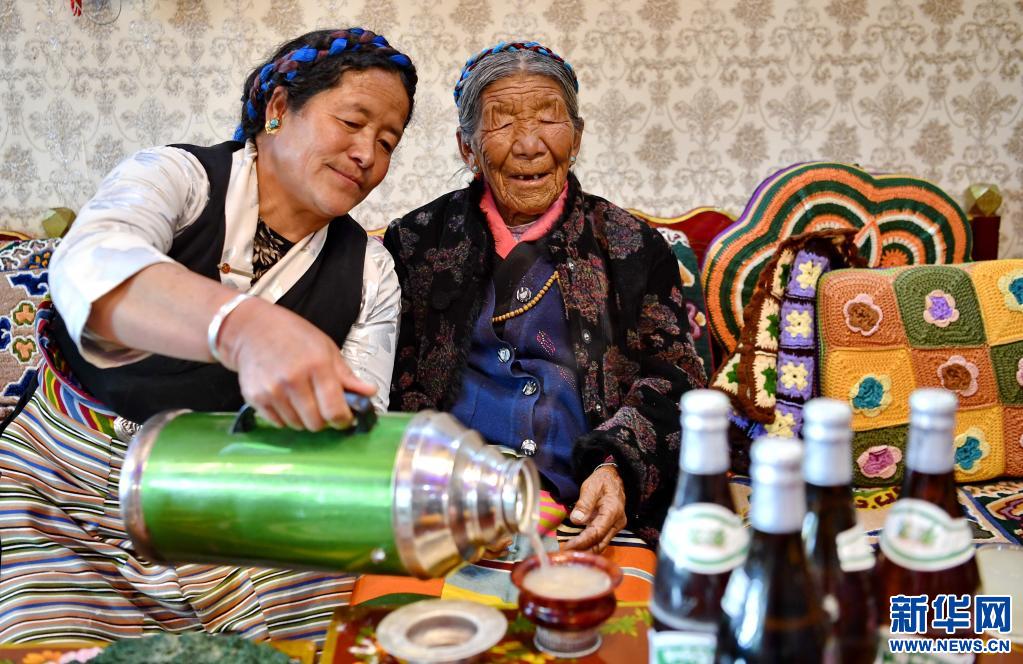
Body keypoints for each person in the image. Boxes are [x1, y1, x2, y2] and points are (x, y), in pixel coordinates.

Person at [0, 28, 416, 644]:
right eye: (352, 123)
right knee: (51, 645)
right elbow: (88, 265)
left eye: (387, 142)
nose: (366, 155)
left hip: (236, 497)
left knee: (356, 629)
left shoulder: (370, 271)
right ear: (279, 108)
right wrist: (243, 329)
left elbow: (357, 429)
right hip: (67, 482)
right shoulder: (178, 176)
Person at [385, 41, 705, 553]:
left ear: (576, 137)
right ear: (467, 148)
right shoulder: (415, 241)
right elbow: (392, 382)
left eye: (548, 119)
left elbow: (676, 379)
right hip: (448, 502)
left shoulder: (631, 245)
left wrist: (616, 466)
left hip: (588, 505)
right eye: (502, 121)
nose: (530, 144)